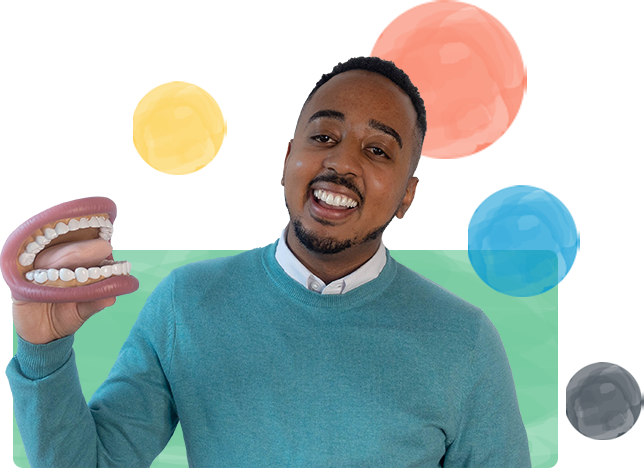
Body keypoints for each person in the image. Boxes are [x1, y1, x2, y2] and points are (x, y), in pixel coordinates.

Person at [7, 57, 531, 467]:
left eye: (378, 151)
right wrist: (41, 346)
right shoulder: (186, 304)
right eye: (323, 136)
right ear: (289, 156)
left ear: (407, 196)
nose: (341, 162)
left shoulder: (464, 341)